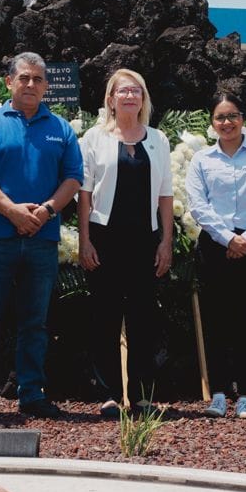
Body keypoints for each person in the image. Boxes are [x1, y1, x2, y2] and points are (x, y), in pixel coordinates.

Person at [0, 51, 84, 420]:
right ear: (9, 82)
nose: (31, 85)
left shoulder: (60, 128)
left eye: (38, 79)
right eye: (24, 78)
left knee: (36, 322)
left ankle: (31, 394)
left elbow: (73, 179)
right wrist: (13, 212)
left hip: (42, 241)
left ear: (46, 86)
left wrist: (44, 211)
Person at [183, 93, 246, 420]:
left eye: (232, 116)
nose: (226, 123)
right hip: (215, 246)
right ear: (212, 122)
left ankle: (245, 395)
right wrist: (228, 238)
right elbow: (198, 205)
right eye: (220, 117)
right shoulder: (202, 159)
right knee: (215, 321)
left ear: (243, 117)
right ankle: (217, 393)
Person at [76, 68, 173, 418]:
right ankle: (110, 394)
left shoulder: (158, 140)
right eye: (123, 91)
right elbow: (84, 194)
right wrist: (84, 241)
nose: (130, 96)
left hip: (145, 239)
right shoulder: (94, 138)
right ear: (111, 99)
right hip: (105, 237)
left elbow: (165, 195)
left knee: (143, 319)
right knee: (104, 317)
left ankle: (143, 395)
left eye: (136, 91)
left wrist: (166, 242)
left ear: (143, 98)